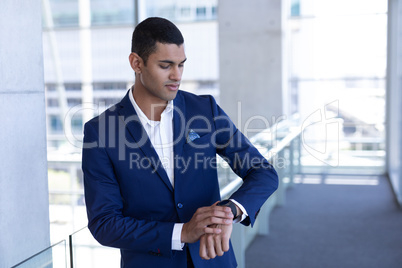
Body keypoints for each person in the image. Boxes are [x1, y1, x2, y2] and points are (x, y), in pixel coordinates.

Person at [82, 17, 278, 268]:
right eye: (166, 66)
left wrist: (228, 212)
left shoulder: (204, 109)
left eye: (181, 65)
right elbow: (105, 223)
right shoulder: (101, 132)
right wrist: (182, 233)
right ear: (136, 63)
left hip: (215, 262)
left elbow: (262, 171)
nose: (177, 75)